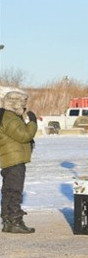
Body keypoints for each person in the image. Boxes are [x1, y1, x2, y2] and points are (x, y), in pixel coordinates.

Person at [0, 91, 38, 234]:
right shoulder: (10, 118)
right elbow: (24, 135)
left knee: (8, 190)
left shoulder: (5, 116)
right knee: (14, 190)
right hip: (14, 160)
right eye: (23, 105)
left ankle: (8, 221)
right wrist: (33, 123)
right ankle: (15, 221)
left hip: (9, 159)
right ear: (16, 105)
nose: (24, 108)